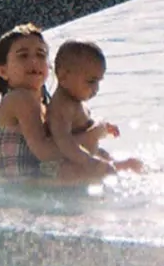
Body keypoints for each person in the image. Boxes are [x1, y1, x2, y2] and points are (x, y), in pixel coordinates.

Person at [0, 23, 116, 185]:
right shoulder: (19, 99)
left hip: (28, 183)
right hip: (16, 185)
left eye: (40, 55)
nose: (33, 61)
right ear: (3, 71)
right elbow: (46, 152)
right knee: (89, 171)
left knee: (107, 166)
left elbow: (63, 145)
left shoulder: (42, 105)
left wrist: (100, 153)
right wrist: (94, 135)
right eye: (23, 55)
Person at [48, 39, 144, 174]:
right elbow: (63, 143)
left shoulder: (74, 101)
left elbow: (84, 126)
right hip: (74, 165)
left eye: (98, 81)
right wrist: (89, 162)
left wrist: (104, 127)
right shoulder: (62, 107)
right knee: (129, 166)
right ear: (63, 76)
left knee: (133, 163)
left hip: (88, 154)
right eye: (91, 81)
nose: (96, 88)